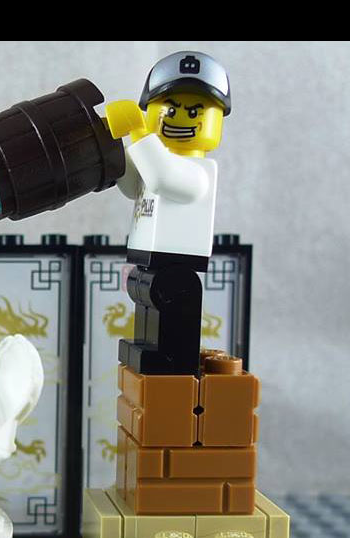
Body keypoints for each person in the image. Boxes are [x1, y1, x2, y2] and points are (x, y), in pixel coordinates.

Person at [106, 51, 231, 375]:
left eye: (196, 111)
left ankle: (171, 375)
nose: (181, 119)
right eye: (170, 109)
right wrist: (112, 145)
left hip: (179, 269)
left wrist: (137, 132)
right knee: (146, 332)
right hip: (149, 263)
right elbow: (132, 185)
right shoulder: (152, 159)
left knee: (170, 344)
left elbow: (163, 177)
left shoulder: (198, 173)